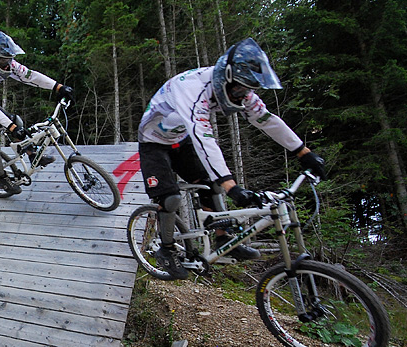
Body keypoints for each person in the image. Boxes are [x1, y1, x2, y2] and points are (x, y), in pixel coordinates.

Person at [137, 37, 326, 280]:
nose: (240, 96)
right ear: (224, 78)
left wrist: (303, 152)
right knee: (170, 197)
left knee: (210, 186)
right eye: (238, 90)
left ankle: (223, 238)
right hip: (152, 141)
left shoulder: (239, 88)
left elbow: (267, 120)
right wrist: (231, 186)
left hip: (180, 139)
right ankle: (166, 249)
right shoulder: (192, 89)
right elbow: (204, 138)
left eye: (246, 91)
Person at [0, 30, 74, 195]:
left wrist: (58, 87)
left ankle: (32, 155)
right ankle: (2, 179)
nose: (7, 64)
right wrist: (11, 128)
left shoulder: (8, 64)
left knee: (17, 121)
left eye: (9, 59)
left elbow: (30, 76)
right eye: (4, 60)